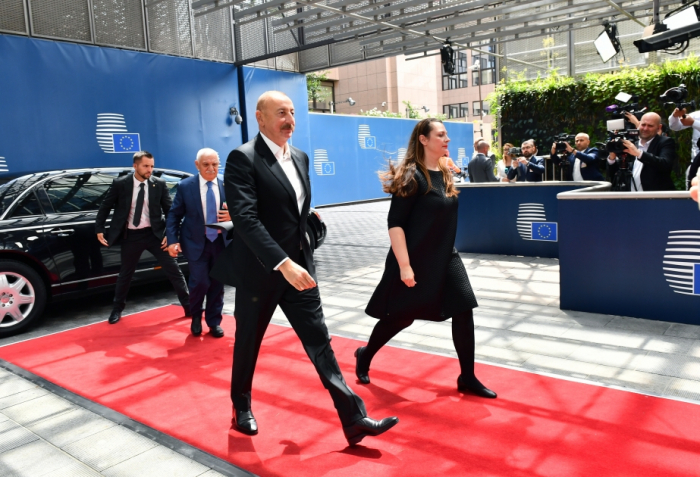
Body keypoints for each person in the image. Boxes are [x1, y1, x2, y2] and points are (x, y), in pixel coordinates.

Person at [209, 91, 398, 445]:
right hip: (261, 271)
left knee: (320, 342)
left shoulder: (300, 157)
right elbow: (246, 220)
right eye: (281, 113)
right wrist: (283, 263)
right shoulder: (242, 158)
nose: (290, 120)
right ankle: (241, 407)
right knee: (248, 343)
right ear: (260, 118)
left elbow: (295, 214)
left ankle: (354, 419)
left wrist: (304, 249)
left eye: (293, 112)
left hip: (300, 270)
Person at [356, 118, 497, 399]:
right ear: (423, 139)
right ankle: (365, 354)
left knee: (463, 308)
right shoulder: (412, 175)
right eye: (440, 135)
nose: (447, 140)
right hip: (415, 260)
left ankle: (466, 376)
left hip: (446, 257)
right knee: (401, 318)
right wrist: (405, 267)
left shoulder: (444, 172)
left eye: (447, 135)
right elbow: (395, 223)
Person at [95, 151, 190, 324]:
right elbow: (105, 206)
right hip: (131, 236)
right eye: (146, 166)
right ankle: (117, 309)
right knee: (125, 274)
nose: (149, 170)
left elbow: (170, 212)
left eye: (152, 166)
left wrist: (171, 235)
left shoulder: (159, 184)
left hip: (155, 235)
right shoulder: (121, 184)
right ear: (135, 166)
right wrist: (99, 228)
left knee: (173, 270)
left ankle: (189, 306)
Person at [166, 148, 231, 338]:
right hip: (195, 243)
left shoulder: (227, 185)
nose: (211, 169)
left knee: (217, 285)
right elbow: (174, 215)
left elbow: (243, 211)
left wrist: (233, 216)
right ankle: (195, 315)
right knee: (200, 283)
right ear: (197, 165)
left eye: (215, 164)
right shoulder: (186, 186)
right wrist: (172, 240)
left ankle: (213, 322)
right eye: (206, 165)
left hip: (221, 242)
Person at [606, 112, 676, 191]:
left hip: (655, 197)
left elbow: (665, 164)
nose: (645, 128)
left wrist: (639, 154)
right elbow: (614, 175)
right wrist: (612, 158)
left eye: (650, 126)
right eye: (643, 125)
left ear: (659, 127)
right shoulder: (631, 144)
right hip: (631, 198)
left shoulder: (665, 142)